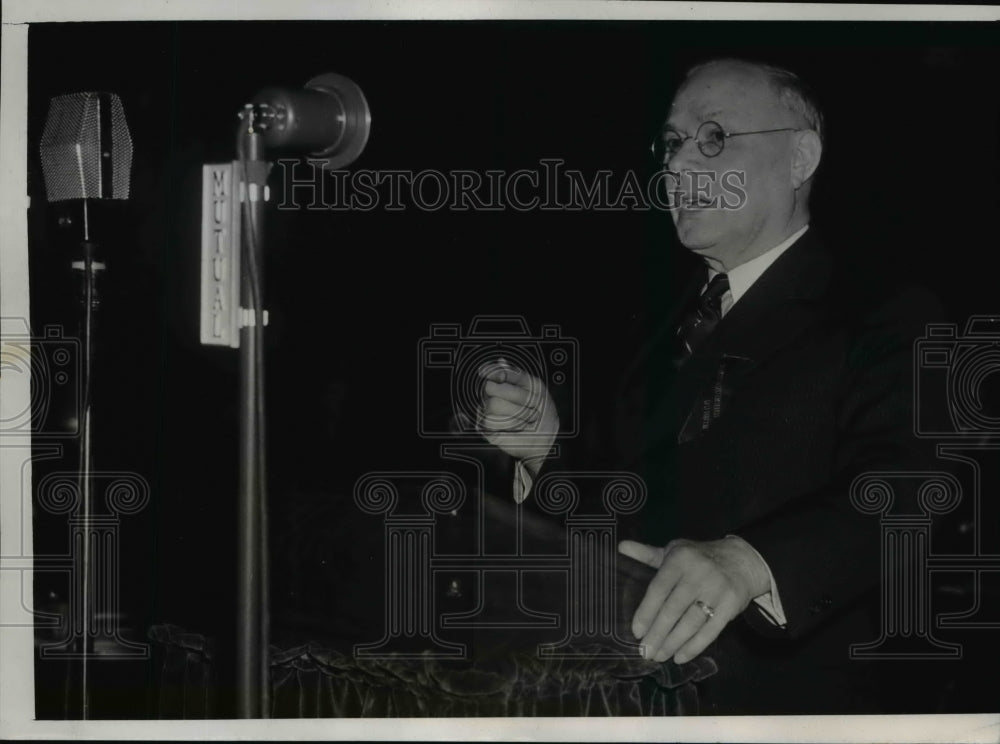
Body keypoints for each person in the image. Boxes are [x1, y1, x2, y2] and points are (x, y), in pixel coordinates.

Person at [474, 58, 939, 714]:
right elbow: (627, 518)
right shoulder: (651, 328)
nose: (680, 165)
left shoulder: (884, 312)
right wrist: (547, 451)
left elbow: (913, 487)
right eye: (671, 143)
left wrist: (753, 562)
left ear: (800, 157)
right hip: (618, 699)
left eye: (714, 136)